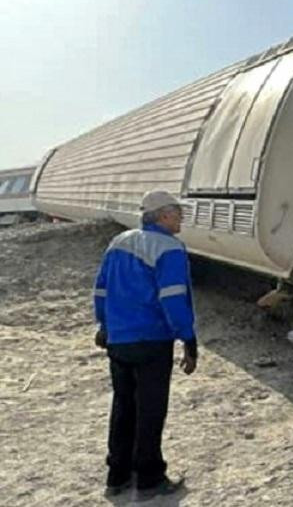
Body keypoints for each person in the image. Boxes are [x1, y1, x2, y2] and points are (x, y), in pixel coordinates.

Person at [92, 190, 196, 500]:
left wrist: (104, 325)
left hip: (119, 340)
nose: (181, 217)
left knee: (124, 406)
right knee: (151, 410)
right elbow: (173, 297)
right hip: (151, 339)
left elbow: (101, 289)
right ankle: (149, 479)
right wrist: (188, 339)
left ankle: (117, 475)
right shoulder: (169, 248)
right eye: (177, 212)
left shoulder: (119, 242)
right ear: (162, 215)